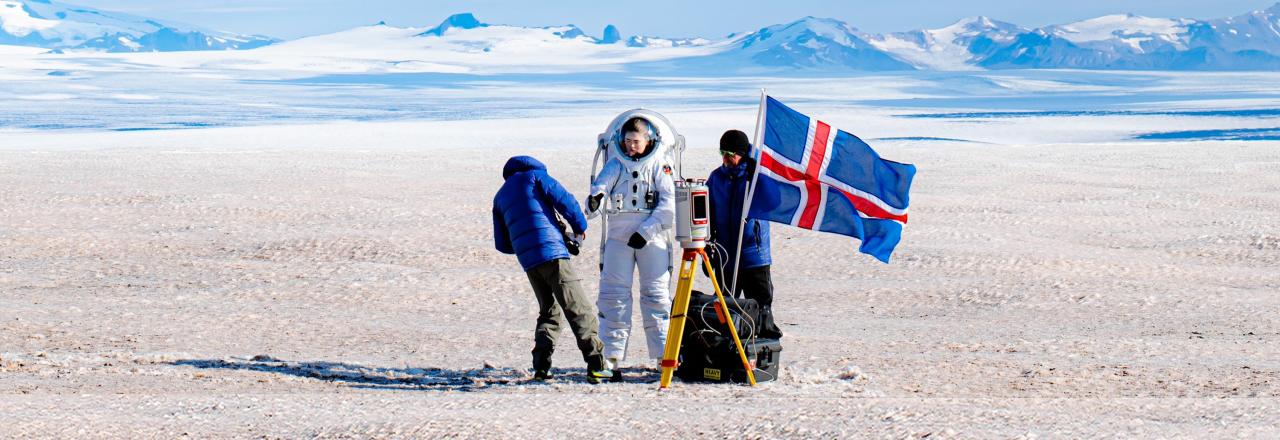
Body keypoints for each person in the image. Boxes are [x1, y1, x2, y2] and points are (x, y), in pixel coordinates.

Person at [492, 155, 612, 383]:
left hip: (529, 261)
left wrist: (525, 245)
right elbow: (565, 201)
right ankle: (596, 363)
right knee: (578, 307)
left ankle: (541, 367)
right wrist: (580, 227)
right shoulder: (536, 176)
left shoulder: (500, 196)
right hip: (552, 254)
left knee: (550, 311)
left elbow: (502, 243)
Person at [584, 117, 676, 381]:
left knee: (656, 296)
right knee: (613, 296)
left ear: (648, 140)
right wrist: (594, 202)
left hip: (652, 236)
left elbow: (668, 205)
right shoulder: (616, 164)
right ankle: (610, 357)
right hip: (619, 234)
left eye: (636, 141)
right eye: (627, 142)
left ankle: (663, 357)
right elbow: (600, 189)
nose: (631, 147)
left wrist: (645, 231)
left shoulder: (660, 165)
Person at [707, 129, 783, 339]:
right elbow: (707, 212)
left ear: (742, 153)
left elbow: (774, 201)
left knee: (760, 307)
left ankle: (761, 356)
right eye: (723, 152)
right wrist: (707, 245)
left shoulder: (758, 175)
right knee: (722, 307)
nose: (726, 158)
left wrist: (759, 176)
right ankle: (726, 352)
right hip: (725, 255)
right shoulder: (716, 178)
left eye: (731, 154)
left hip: (753, 255)